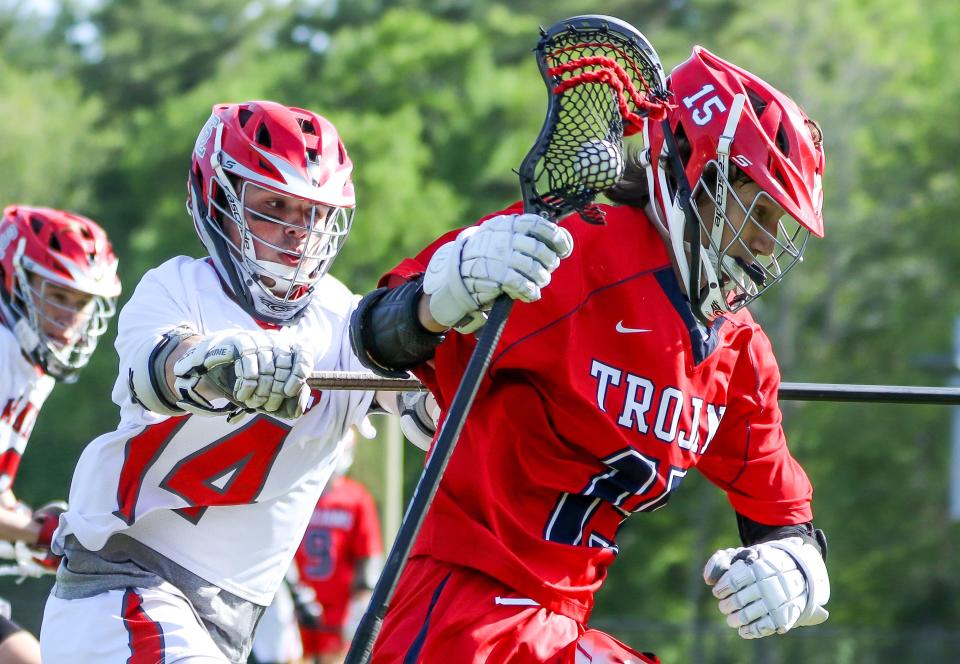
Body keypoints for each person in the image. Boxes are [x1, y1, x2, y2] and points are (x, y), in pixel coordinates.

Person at [350, 46, 830, 662]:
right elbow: (374, 337)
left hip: (560, 622)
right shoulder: (572, 250)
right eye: (757, 209)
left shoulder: (738, 349)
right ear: (697, 171)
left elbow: (779, 511)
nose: (765, 242)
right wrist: (445, 294)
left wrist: (793, 566)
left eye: (777, 221)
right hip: (464, 607)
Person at [38, 101, 435, 664]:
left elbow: (430, 421)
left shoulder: (343, 318)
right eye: (275, 206)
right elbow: (162, 367)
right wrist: (223, 362)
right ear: (220, 201)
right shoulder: (177, 287)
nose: (300, 233)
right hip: (125, 584)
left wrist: (453, 329)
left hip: (232, 617)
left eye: (314, 213)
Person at [0, 205, 122, 664]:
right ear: (15, 278)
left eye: (82, 302)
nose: (71, 317)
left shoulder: (25, 360)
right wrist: (37, 533)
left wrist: (23, 521)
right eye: (58, 295)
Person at [293, 426, 383, 664]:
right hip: (297, 602)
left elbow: (369, 559)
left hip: (337, 611)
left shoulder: (356, 499)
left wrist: (359, 608)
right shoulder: (297, 492)